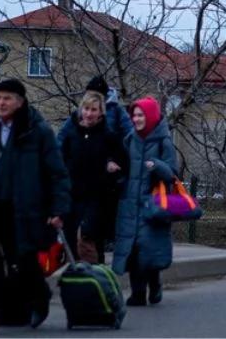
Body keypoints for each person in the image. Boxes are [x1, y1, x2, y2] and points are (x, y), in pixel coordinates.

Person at [0, 79, 70, 336]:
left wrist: (58, 209)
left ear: (20, 102)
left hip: (23, 207)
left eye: (7, 98)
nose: (1, 103)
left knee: (23, 260)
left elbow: (57, 173)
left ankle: (39, 298)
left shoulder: (37, 130)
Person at [114, 97, 177, 305]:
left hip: (154, 205)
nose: (136, 119)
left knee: (148, 249)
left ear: (150, 116)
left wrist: (155, 165)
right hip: (131, 203)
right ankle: (138, 293)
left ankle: (155, 284)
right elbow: (124, 166)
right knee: (133, 252)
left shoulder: (163, 141)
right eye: (134, 115)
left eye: (141, 115)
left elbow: (171, 174)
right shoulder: (130, 139)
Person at [58, 91, 127, 264]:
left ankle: (96, 277)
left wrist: (112, 165)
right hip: (72, 197)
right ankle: (78, 280)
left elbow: (122, 161)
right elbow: (60, 160)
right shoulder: (72, 134)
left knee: (88, 237)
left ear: (101, 112)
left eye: (94, 110)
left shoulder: (108, 136)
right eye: (86, 109)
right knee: (72, 241)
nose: (89, 114)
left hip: (97, 198)